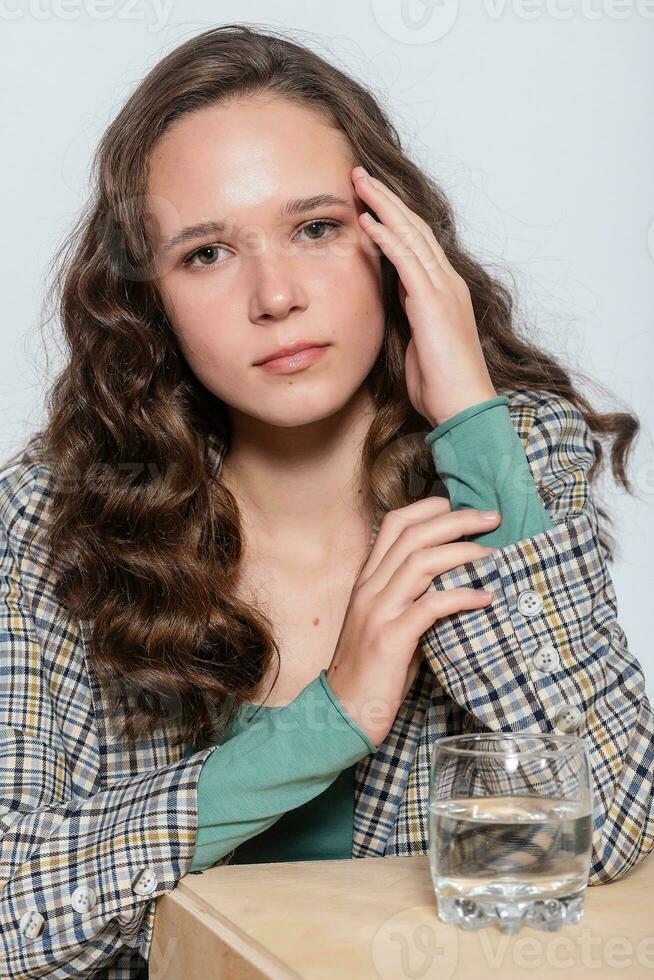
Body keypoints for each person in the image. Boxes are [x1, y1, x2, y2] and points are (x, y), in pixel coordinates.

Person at [1, 23, 652, 980]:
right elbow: (12, 910)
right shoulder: (53, 514)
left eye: (316, 228)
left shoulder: (514, 455)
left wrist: (471, 417)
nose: (276, 296)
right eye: (208, 253)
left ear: (396, 245)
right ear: (150, 301)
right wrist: (329, 722)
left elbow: (606, 829)